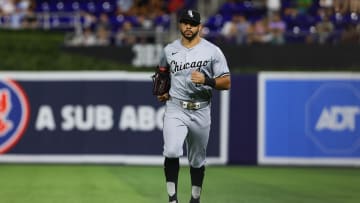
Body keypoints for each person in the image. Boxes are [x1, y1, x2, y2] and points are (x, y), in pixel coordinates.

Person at [156, 9, 231, 203]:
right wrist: (164, 90)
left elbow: (227, 82)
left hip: (201, 109)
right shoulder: (169, 49)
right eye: (185, 22)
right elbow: (162, 73)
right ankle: (172, 199)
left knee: (197, 160)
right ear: (180, 25)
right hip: (176, 107)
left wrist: (207, 80)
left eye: (192, 23)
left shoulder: (212, 51)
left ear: (200, 27)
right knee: (172, 151)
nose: (188, 26)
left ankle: (195, 198)